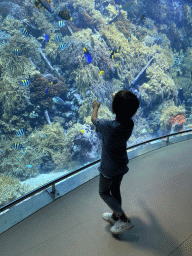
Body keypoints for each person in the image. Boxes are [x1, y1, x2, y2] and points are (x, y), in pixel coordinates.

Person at [91, 89, 140, 234]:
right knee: (115, 190)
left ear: (114, 108)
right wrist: (116, 99)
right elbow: (124, 109)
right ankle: (115, 216)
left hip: (108, 168)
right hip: (121, 165)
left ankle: (123, 218)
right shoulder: (130, 123)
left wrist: (96, 107)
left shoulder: (108, 126)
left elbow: (93, 119)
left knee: (104, 192)